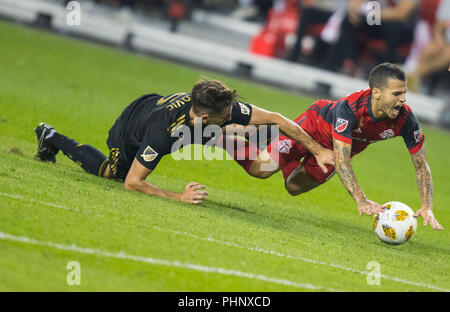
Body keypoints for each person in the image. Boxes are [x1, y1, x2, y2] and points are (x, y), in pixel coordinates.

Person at [34, 78, 334, 205]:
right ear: (207, 116)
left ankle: (241, 137)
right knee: (115, 174)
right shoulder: (160, 134)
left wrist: (318, 149)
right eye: (227, 113)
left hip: (188, 122)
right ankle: (52, 137)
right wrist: (179, 197)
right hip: (130, 128)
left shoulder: (212, 109)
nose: (235, 113)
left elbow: (277, 118)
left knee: (252, 132)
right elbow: (134, 184)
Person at [223, 63, 443, 230]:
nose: (403, 99)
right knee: (261, 170)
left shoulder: (406, 119)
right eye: (397, 94)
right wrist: (361, 199)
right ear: (376, 93)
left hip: (335, 152)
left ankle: (272, 138)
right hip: (311, 130)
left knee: (293, 188)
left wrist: (426, 205)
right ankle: (223, 137)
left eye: (404, 93)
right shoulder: (351, 108)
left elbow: (421, 164)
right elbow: (342, 159)